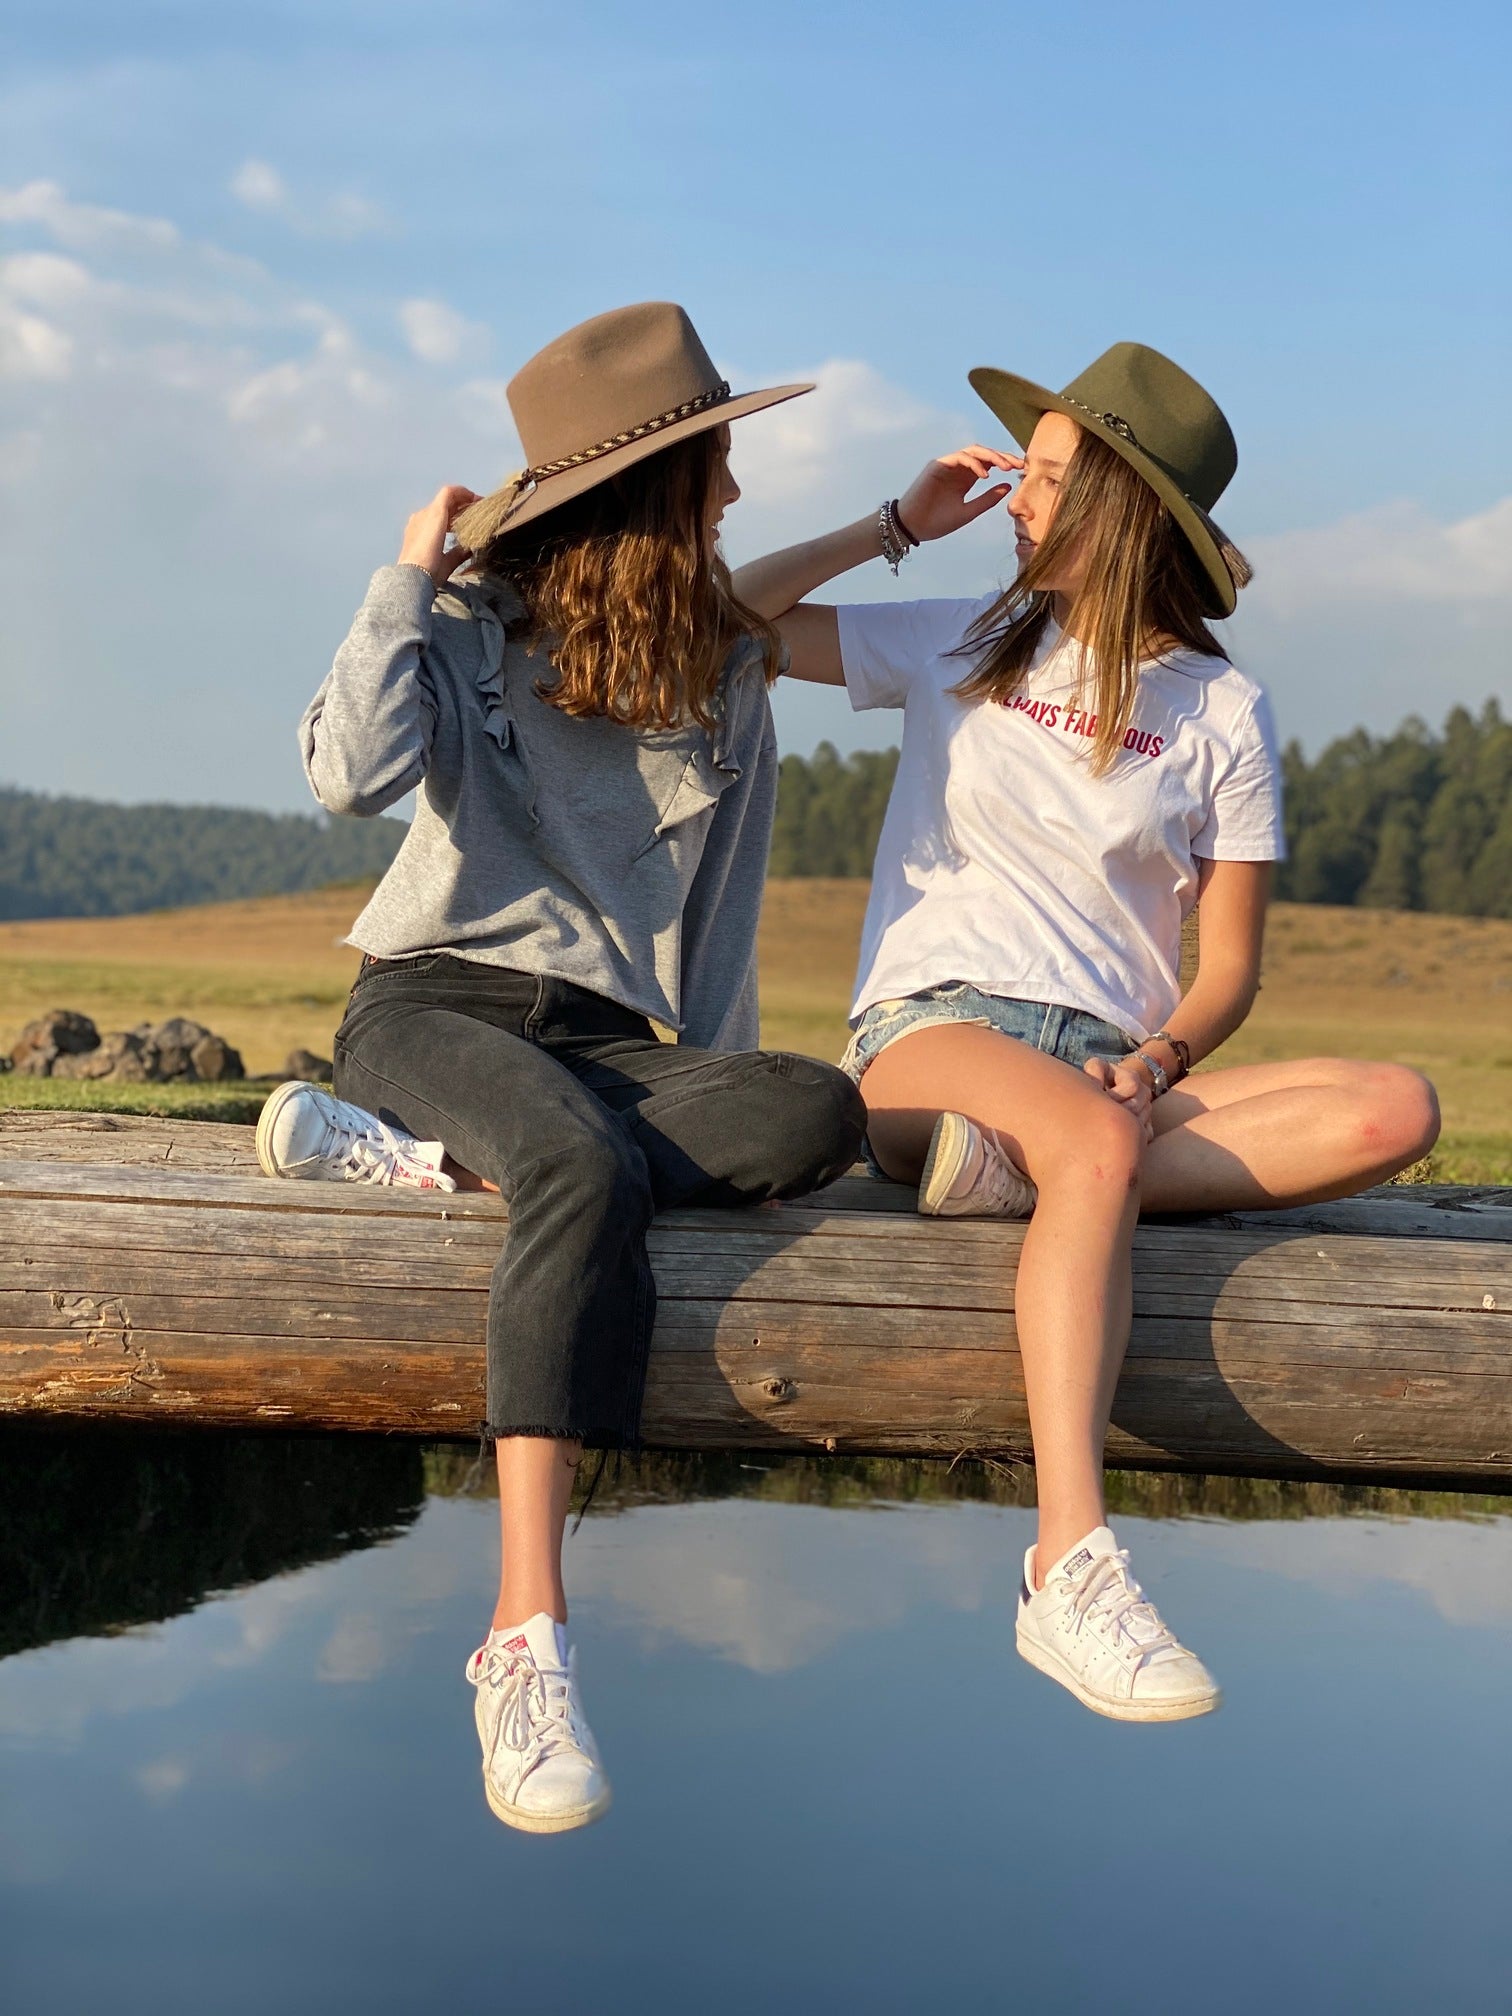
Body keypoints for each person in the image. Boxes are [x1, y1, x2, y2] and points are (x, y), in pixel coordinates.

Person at [733, 342, 1440, 1722]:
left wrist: (1163, 1059)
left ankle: (1031, 1179)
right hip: (936, 1035)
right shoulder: (953, 637)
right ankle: (1069, 1559)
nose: (1016, 500)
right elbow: (725, 617)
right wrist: (888, 526)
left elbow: (1225, 969)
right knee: (1094, 1150)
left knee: (1396, 1108)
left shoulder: (1222, 711)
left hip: (1114, 1069)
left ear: (1119, 507)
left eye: (1048, 480)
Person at [258, 302, 866, 1829]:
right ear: (653, 487)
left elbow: (717, 933)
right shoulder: (460, 632)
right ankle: (524, 1635)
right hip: (430, 1007)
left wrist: (718, 1097)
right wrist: (409, 573)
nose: (732, 489)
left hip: (607, 1043)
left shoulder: (723, 677)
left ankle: (410, 1163)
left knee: (817, 1106)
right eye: (716, 461)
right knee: (579, 1168)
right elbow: (347, 778)